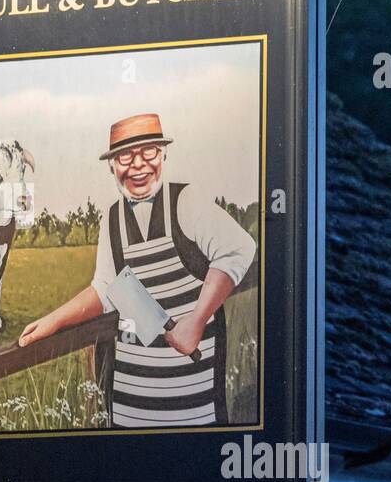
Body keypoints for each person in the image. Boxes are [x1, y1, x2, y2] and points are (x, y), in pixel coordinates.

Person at [18, 113, 255, 427]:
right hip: (131, 401)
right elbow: (108, 289)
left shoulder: (186, 201)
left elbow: (238, 249)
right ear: (112, 165)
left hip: (193, 399)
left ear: (163, 154)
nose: (138, 164)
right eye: (126, 155)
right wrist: (53, 320)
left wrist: (196, 321)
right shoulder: (112, 218)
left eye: (149, 151)